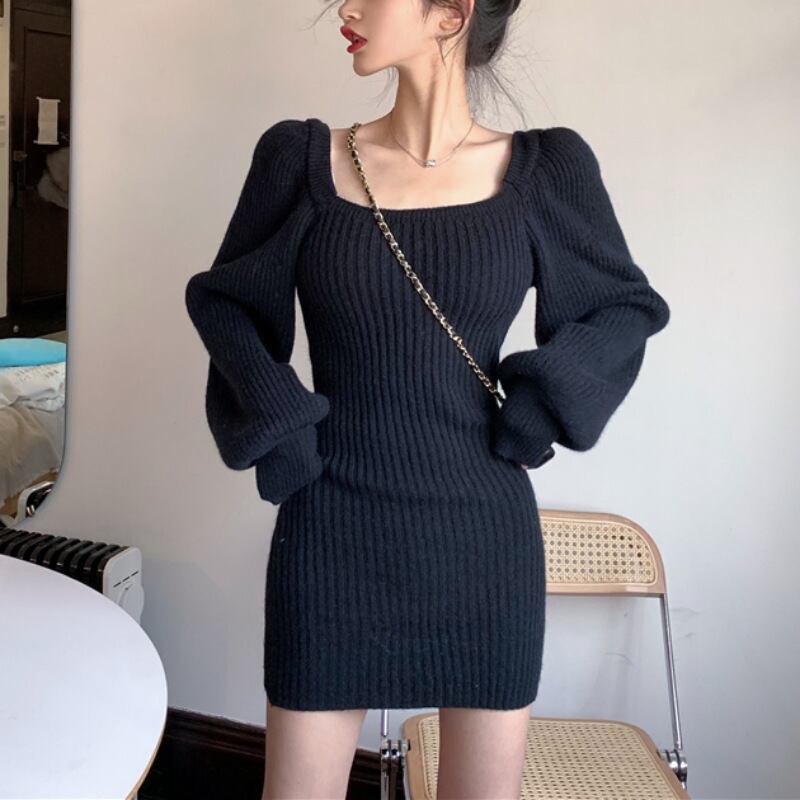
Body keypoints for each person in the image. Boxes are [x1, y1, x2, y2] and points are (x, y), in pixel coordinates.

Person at [184, 1, 671, 797]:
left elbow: (621, 308)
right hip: (331, 531)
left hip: (483, 543)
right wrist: (282, 426)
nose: (346, 8)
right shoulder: (299, 160)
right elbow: (229, 305)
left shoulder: (546, 170)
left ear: (450, 13)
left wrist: (535, 411)